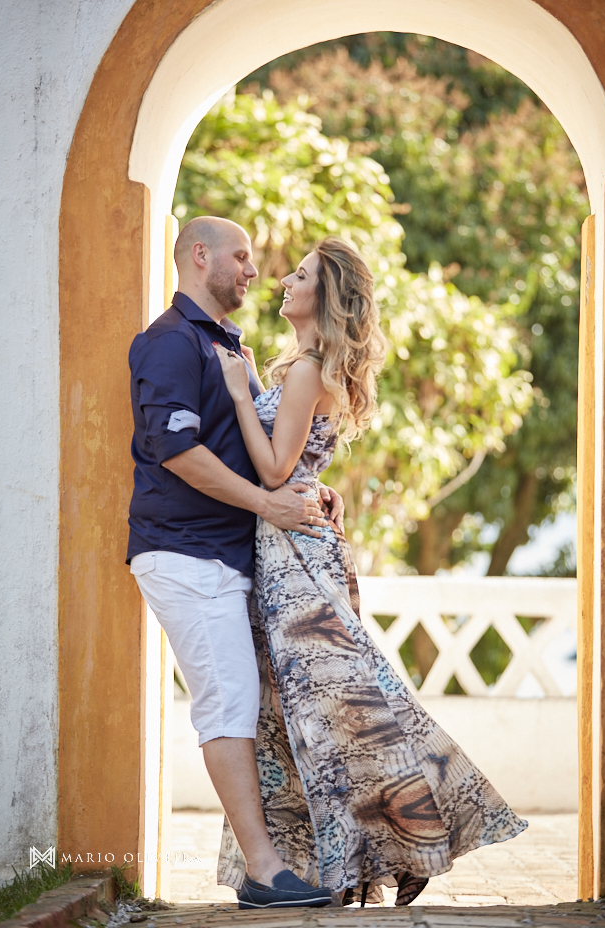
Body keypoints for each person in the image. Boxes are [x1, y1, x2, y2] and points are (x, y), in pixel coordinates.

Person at [213, 236, 527, 907]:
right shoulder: (299, 367)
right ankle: (350, 859)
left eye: (300, 276)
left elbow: (273, 470)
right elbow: (299, 467)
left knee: (347, 711)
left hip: (295, 559)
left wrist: (240, 392)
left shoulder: (304, 371)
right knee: (314, 715)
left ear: (325, 298)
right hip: (285, 549)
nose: (284, 282)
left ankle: (406, 841)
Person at [127, 216, 344, 910]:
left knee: (245, 704)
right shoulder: (167, 342)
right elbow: (177, 451)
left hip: (225, 555)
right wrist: (268, 503)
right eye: (242, 256)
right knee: (227, 703)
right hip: (185, 552)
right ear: (200, 256)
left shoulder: (226, 346)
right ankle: (263, 871)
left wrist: (308, 492)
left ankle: (278, 861)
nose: (256, 270)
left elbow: (264, 449)